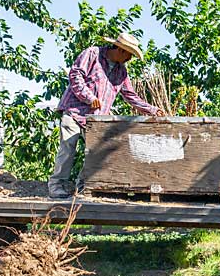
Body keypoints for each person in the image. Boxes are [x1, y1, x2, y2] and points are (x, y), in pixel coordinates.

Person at [45, 32, 165, 198]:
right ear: (121, 50)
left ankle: (83, 187)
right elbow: (75, 74)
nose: (130, 59)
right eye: (130, 54)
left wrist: (151, 109)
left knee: (96, 153)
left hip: (97, 120)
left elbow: (130, 96)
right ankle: (56, 185)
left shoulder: (121, 72)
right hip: (74, 111)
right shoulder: (93, 54)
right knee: (68, 148)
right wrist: (89, 97)